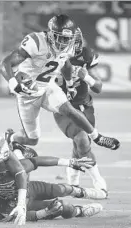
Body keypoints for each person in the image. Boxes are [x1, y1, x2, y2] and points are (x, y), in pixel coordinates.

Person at [0, 14, 120, 151]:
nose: (63, 42)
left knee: (69, 110)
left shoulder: (70, 47)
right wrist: (13, 83)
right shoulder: (36, 41)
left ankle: (97, 137)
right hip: (28, 94)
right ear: (50, 34)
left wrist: (69, 84)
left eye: (67, 38)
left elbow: (65, 64)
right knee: (32, 140)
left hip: (47, 87)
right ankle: (11, 137)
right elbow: (5, 63)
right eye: (60, 37)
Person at [0, 142, 104, 222]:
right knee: (62, 207)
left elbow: (37, 161)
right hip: (26, 206)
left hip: (31, 188)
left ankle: (82, 192)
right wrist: (45, 212)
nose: (21, 190)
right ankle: (80, 211)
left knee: (62, 189)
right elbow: (25, 216)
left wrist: (70, 162)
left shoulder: (14, 170)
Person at [54, 30, 108, 193]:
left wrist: (87, 78)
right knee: (83, 140)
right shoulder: (50, 56)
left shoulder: (86, 55)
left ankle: (73, 180)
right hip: (63, 107)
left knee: (80, 144)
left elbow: (98, 87)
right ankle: (98, 181)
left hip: (85, 106)